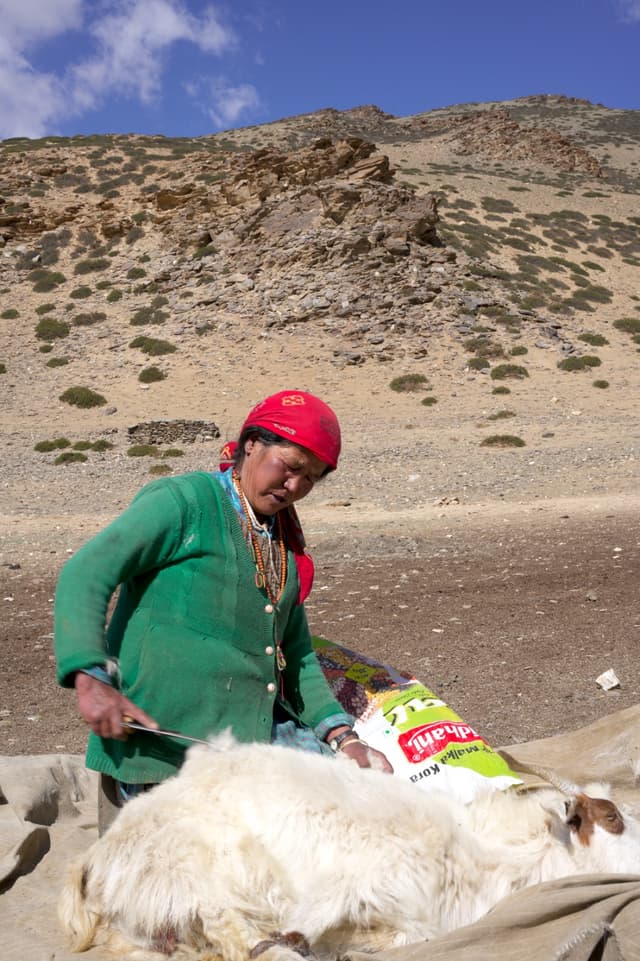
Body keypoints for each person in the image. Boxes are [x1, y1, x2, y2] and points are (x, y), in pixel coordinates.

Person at [54, 389, 392, 830]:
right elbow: (86, 573)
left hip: (244, 761)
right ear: (252, 443)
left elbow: (297, 653)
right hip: (160, 756)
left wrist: (342, 736)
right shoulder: (184, 503)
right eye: (289, 467)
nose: (294, 487)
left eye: (309, 479)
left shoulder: (280, 543)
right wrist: (90, 677)